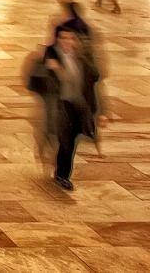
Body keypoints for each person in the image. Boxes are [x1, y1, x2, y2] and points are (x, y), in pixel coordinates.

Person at [40, 26, 103, 191]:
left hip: (79, 106)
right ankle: (62, 175)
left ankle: (62, 170)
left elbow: (95, 77)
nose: (67, 42)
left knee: (72, 142)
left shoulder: (81, 57)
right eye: (64, 38)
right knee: (66, 141)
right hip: (61, 106)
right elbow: (41, 80)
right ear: (58, 40)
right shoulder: (52, 56)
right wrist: (56, 70)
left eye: (71, 38)